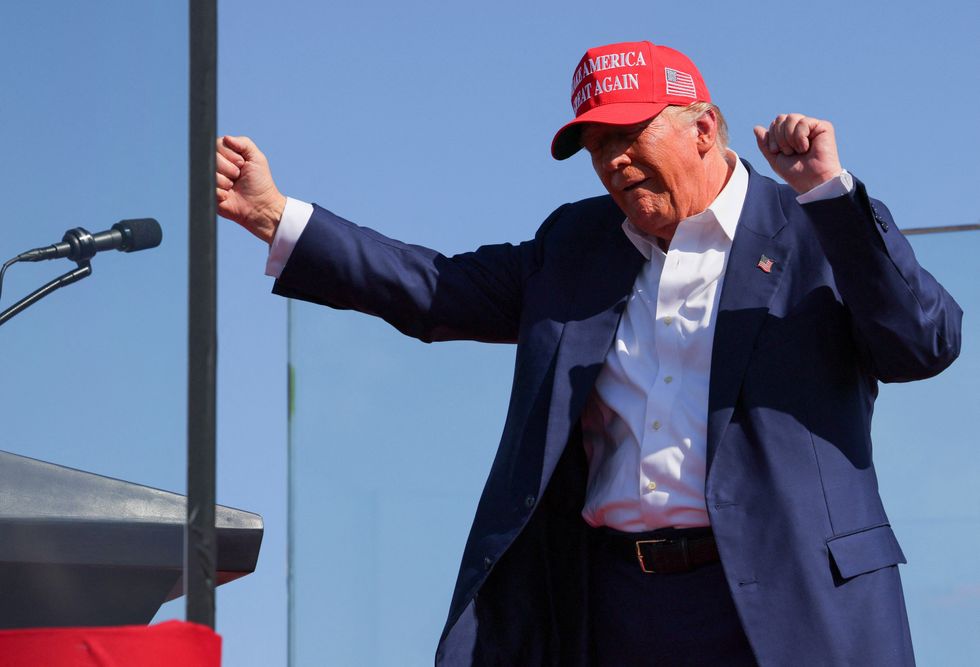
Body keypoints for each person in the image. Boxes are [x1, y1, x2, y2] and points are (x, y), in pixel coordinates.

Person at [217, 41, 961, 666]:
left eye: (628, 135)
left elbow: (925, 342)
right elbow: (435, 288)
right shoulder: (575, 246)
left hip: (793, 599)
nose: (612, 162)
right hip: (616, 606)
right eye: (597, 146)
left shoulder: (814, 228)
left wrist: (828, 194)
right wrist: (277, 216)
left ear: (703, 127)